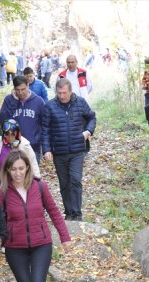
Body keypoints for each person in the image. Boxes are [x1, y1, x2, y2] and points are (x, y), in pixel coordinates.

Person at [0, 151, 70, 282]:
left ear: (27, 167)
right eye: (13, 169)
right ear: (8, 170)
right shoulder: (2, 192)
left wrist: (65, 237)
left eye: (21, 168)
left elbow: (54, 211)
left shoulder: (39, 186)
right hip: (15, 247)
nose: (17, 173)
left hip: (41, 244)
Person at [41, 78, 96, 221]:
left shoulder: (81, 103)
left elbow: (92, 117)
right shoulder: (50, 106)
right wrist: (46, 149)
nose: (62, 96)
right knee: (64, 184)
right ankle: (69, 212)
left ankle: (77, 214)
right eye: (59, 93)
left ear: (70, 91)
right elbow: (45, 130)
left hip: (77, 150)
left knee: (75, 180)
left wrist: (88, 131)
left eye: (64, 93)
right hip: (59, 151)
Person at [0, 75, 45, 164]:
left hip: (33, 146)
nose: (20, 93)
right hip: (13, 146)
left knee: (33, 175)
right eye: (17, 90)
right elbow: (4, 120)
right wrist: (14, 102)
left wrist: (40, 141)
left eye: (23, 89)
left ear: (28, 85)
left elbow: (45, 123)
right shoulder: (9, 100)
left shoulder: (38, 101)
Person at [0, 119, 40, 189]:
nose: (10, 137)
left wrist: (37, 182)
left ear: (17, 132)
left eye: (12, 134)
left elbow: (33, 164)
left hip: (21, 185)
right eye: (7, 134)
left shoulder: (25, 145)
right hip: (1, 186)